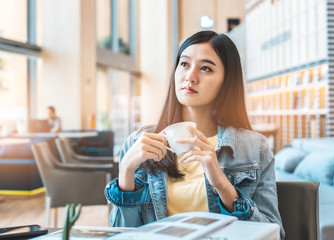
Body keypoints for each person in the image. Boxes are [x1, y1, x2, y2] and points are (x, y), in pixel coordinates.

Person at [105, 30, 285, 239]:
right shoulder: (139, 143)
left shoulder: (255, 148)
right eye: (184, 64)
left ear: (226, 80)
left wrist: (221, 184)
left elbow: (273, 234)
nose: (190, 76)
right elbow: (119, 235)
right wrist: (126, 169)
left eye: (206, 68)